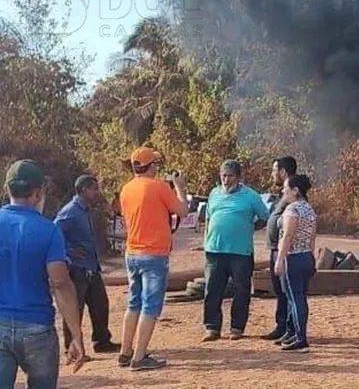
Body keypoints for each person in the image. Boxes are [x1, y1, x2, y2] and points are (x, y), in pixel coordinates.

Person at [0, 160, 85, 388]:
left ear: (7, 189)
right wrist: (76, 335)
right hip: (37, 328)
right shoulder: (49, 231)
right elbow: (60, 283)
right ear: (38, 193)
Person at [118, 148, 189, 371]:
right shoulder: (158, 187)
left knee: (134, 303)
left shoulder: (126, 189)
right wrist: (179, 187)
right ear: (151, 166)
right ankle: (139, 358)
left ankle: (125, 351)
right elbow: (183, 211)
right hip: (154, 255)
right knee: (150, 306)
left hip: (133, 253)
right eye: (156, 164)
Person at [202, 160, 270, 342]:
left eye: (230, 176)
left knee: (241, 290)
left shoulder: (251, 196)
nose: (226, 180)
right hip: (214, 250)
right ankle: (212, 328)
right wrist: (206, 241)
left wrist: (248, 228)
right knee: (212, 290)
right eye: (223, 176)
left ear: (239, 177)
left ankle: (237, 327)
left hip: (241, 252)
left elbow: (265, 217)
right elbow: (209, 218)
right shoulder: (214, 194)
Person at [55, 174, 121, 355]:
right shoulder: (69, 212)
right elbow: (54, 234)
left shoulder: (85, 210)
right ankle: (72, 348)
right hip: (77, 269)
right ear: (84, 190)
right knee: (74, 309)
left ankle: (102, 342)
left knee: (101, 305)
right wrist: (69, 251)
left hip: (91, 266)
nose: (97, 192)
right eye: (94, 189)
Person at [274, 174, 317, 353]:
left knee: (295, 297)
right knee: (297, 297)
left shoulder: (292, 210)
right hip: (306, 255)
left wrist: (280, 259)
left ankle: (301, 338)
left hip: (294, 257)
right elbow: (313, 236)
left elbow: (288, 236)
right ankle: (295, 333)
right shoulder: (309, 209)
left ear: (295, 190)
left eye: (286, 188)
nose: (283, 190)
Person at [260, 156, 298, 342]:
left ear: (283, 172)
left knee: (288, 292)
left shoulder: (293, 194)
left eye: (274, 171)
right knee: (280, 291)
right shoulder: (284, 194)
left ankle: (291, 329)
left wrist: (282, 253)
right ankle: (281, 325)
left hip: (286, 251)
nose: (272, 174)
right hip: (276, 249)